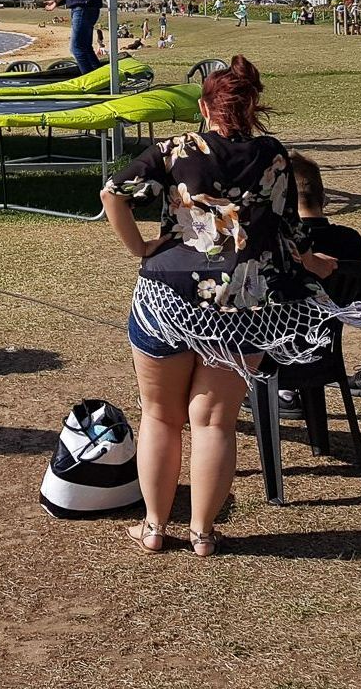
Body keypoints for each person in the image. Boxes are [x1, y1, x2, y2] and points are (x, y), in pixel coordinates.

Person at [99, 57, 341, 556]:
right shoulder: (274, 155)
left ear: (205, 106)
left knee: (160, 417)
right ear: (252, 107)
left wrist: (140, 248)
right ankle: (203, 533)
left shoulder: (176, 149)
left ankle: (153, 527)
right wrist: (312, 260)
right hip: (245, 304)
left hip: (166, 297)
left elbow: (113, 193)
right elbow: (286, 228)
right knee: (215, 423)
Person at [290, 152, 361, 405]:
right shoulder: (349, 239)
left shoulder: (279, 244)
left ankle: (284, 393)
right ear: (324, 198)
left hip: (280, 356)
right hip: (327, 358)